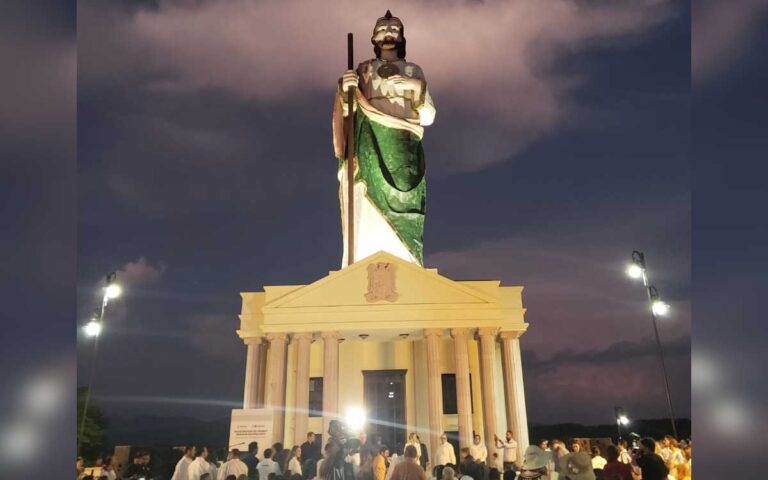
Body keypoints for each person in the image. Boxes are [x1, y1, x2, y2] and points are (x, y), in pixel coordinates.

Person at [334, 10, 437, 267]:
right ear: (373, 37)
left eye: (393, 30)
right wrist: (345, 89)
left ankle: (407, 262)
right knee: (367, 193)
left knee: (404, 200)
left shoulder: (413, 70)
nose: (388, 33)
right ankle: (364, 262)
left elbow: (429, 115)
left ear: (401, 37)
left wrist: (414, 86)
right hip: (370, 138)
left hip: (404, 142)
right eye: (382, 29)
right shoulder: (364, 70)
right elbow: (349, 110)